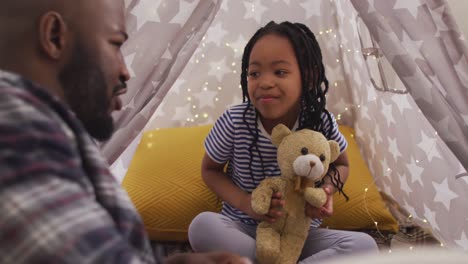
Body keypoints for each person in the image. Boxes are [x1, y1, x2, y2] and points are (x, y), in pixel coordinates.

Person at [0, 0, 251, 263]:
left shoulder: (50, 131)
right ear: (54, 36)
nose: (125, 71)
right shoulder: (17, 126)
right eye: (115, 44)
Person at [188, 21, 379, 262]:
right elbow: (210, 170)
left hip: (300, 236)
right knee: (201, 226)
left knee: (365, 245)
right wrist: (246, 203)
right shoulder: (234, 121)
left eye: (279, 72)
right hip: (244, 229)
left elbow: (342, 165)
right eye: (254, 73)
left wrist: (326, 192)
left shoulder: (321, 122)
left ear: (308, 77)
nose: (264, 82)